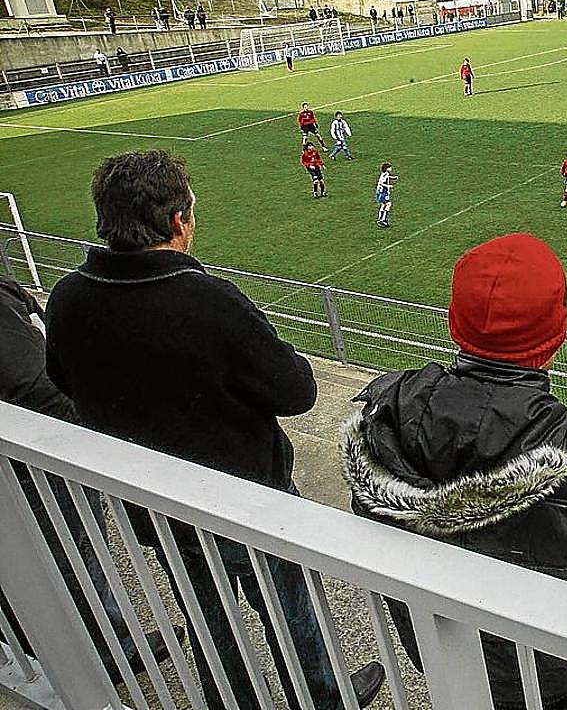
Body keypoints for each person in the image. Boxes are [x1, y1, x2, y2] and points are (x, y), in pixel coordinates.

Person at [44, 151, 385, 710]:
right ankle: (322, 695)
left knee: (205, 611)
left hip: (153, 504)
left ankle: (232, 699)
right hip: (247, 500)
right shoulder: (207, 301)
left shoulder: (69, 298)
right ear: (178, 220)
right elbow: (298, 391)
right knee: (288, 603)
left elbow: (62, 379)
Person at [342, 232, 567, 710]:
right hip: (559, 680)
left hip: (444, 658)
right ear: (557, 334)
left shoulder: (381, 422)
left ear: (455, 323)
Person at [0, 277, 180, 684]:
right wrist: (90, 429)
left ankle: (32, 644)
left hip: (26, 461)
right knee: (75, 554)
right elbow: (35, 387)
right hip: (40, 465)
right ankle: (113, 651)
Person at [376, 163, 394, 227]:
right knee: (388, 204)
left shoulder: (384, 174)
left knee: (383, 205)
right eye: (390, 167)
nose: (391, 168)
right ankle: (383, 220)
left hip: (379, 191)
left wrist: (393, 177)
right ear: (387, 169)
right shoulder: (385, 174)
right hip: (383, 192)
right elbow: (381, 183)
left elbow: (385, 178)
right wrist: (388, 186)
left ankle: (380, 219)